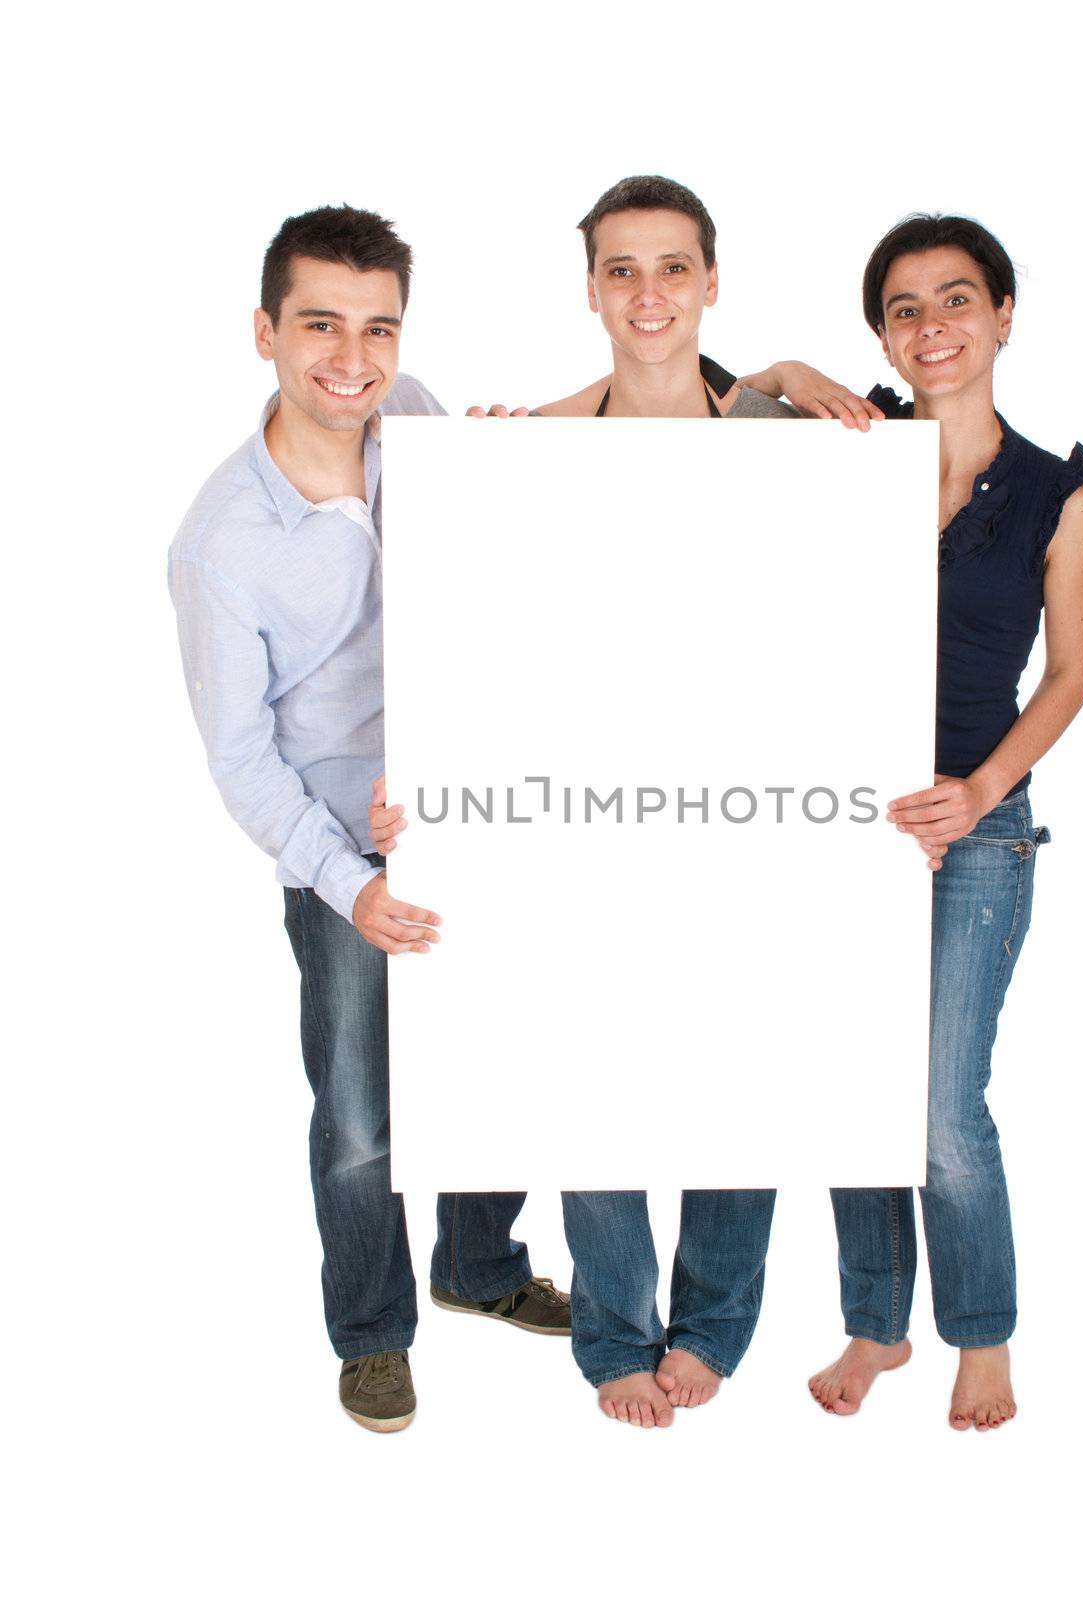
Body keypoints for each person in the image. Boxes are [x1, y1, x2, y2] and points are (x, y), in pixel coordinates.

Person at [371, 175, 886, 1429]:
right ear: (591, 286)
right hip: (585, 810)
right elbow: (475, 636)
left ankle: (711, 1325)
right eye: (621, 269)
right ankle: (609, 1326)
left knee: (744, 1068)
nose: (647, 293)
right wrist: (429, 780)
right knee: (588, 1063)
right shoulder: (534, 445)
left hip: (756, 809)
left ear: (712, 281)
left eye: (672, 268)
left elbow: (858, 610)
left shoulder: (798, 436)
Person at [167, 205, 570, 1435]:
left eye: (379, 327)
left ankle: (479, 1267)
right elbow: (241, 763)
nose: (353, 357)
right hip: (343, 851)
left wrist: (494, 467)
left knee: (503, 1056)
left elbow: (489, 566)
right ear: (265, 331)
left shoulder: (414, 414)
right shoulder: (220, 541)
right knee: (358, 1109)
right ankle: (372, 1331)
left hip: (478, 806)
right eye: (321, 325)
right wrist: (352, 882)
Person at [770, 215, 1083, 1430]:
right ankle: (876, 1326)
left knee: (939, 1106)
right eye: (905, 309)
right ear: (883, 334)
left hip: (978, 828)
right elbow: (716, 401)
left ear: (1004, 315)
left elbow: (1069, 674)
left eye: (957, 300)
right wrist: (789, 378)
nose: (933, 327)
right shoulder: (846, 445)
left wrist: (976, 791)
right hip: (837, 827)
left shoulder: (1060, 498)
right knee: (849, 1086)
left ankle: (982, 1332)